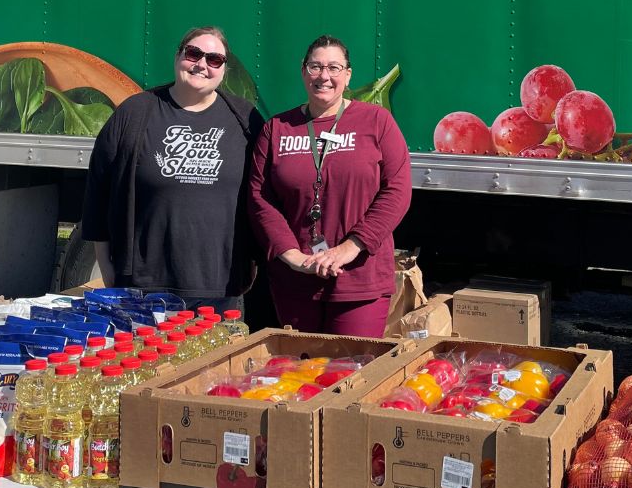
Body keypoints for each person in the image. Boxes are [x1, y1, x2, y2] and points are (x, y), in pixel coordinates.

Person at [81, 27, 264, 313]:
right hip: (143, 287)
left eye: (215, 59)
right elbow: (98, 193)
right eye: (194, 53)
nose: (202, 64)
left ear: (224, 69)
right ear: (178, 56)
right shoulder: (136, 112)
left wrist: (251, 263)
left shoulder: (245, 119)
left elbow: (260, 197)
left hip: (218, 287)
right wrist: (106, 267)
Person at [247, 35, 411, 337]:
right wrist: (293, 257)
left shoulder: (377, 121)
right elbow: (261, 199)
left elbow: (397, 191)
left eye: (334, 67)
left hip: (359, 277)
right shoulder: (277, 129)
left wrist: (350, 247)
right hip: (295, 281)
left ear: (348, 75)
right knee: (300, 372)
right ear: (303, 71)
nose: (324, 76)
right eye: (315, 67)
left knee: (350, 372)